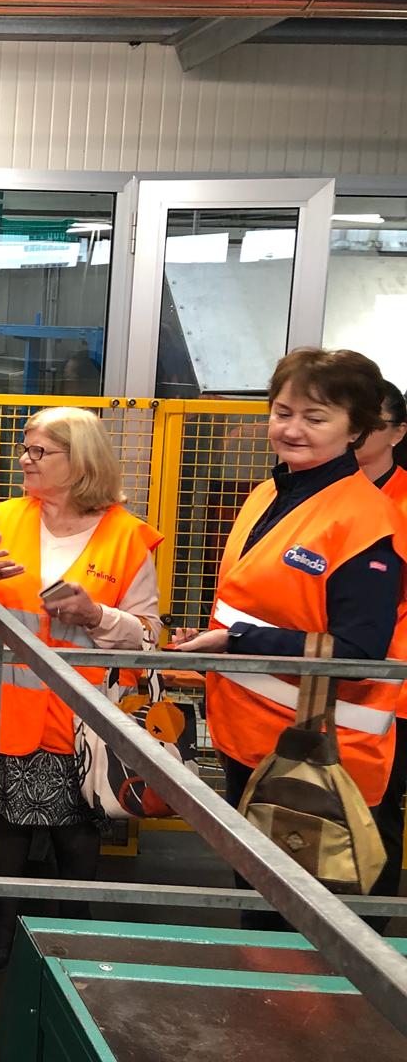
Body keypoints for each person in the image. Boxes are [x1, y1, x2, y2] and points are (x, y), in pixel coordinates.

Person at [173, 349, 407, 923]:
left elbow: (359, 651)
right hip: (248, 737)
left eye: (315, 417)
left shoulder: (366, 521)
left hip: (324, 754)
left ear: (356, 429)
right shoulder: (269, 494)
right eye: (283, 412)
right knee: (260, 902)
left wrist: (237, 642)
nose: (292, 429)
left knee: (320, 923)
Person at [0, 406, 162, 969]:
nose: (24, 460)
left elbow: (149, 635)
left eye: (39, 451)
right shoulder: (7, 518)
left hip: (83, 722)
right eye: (24, 449)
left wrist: (96, 615)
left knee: (77, 839)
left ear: (81, 461)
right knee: (1, 836)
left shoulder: (128, 537)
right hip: (7, 714)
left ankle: (75, 945)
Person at [363, 379, 407, 896]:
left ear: (398, 433)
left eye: (371, 423)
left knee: (377, 813)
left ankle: (368, 930)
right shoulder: (309, 496)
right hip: (313, 678)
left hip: (391, 690)